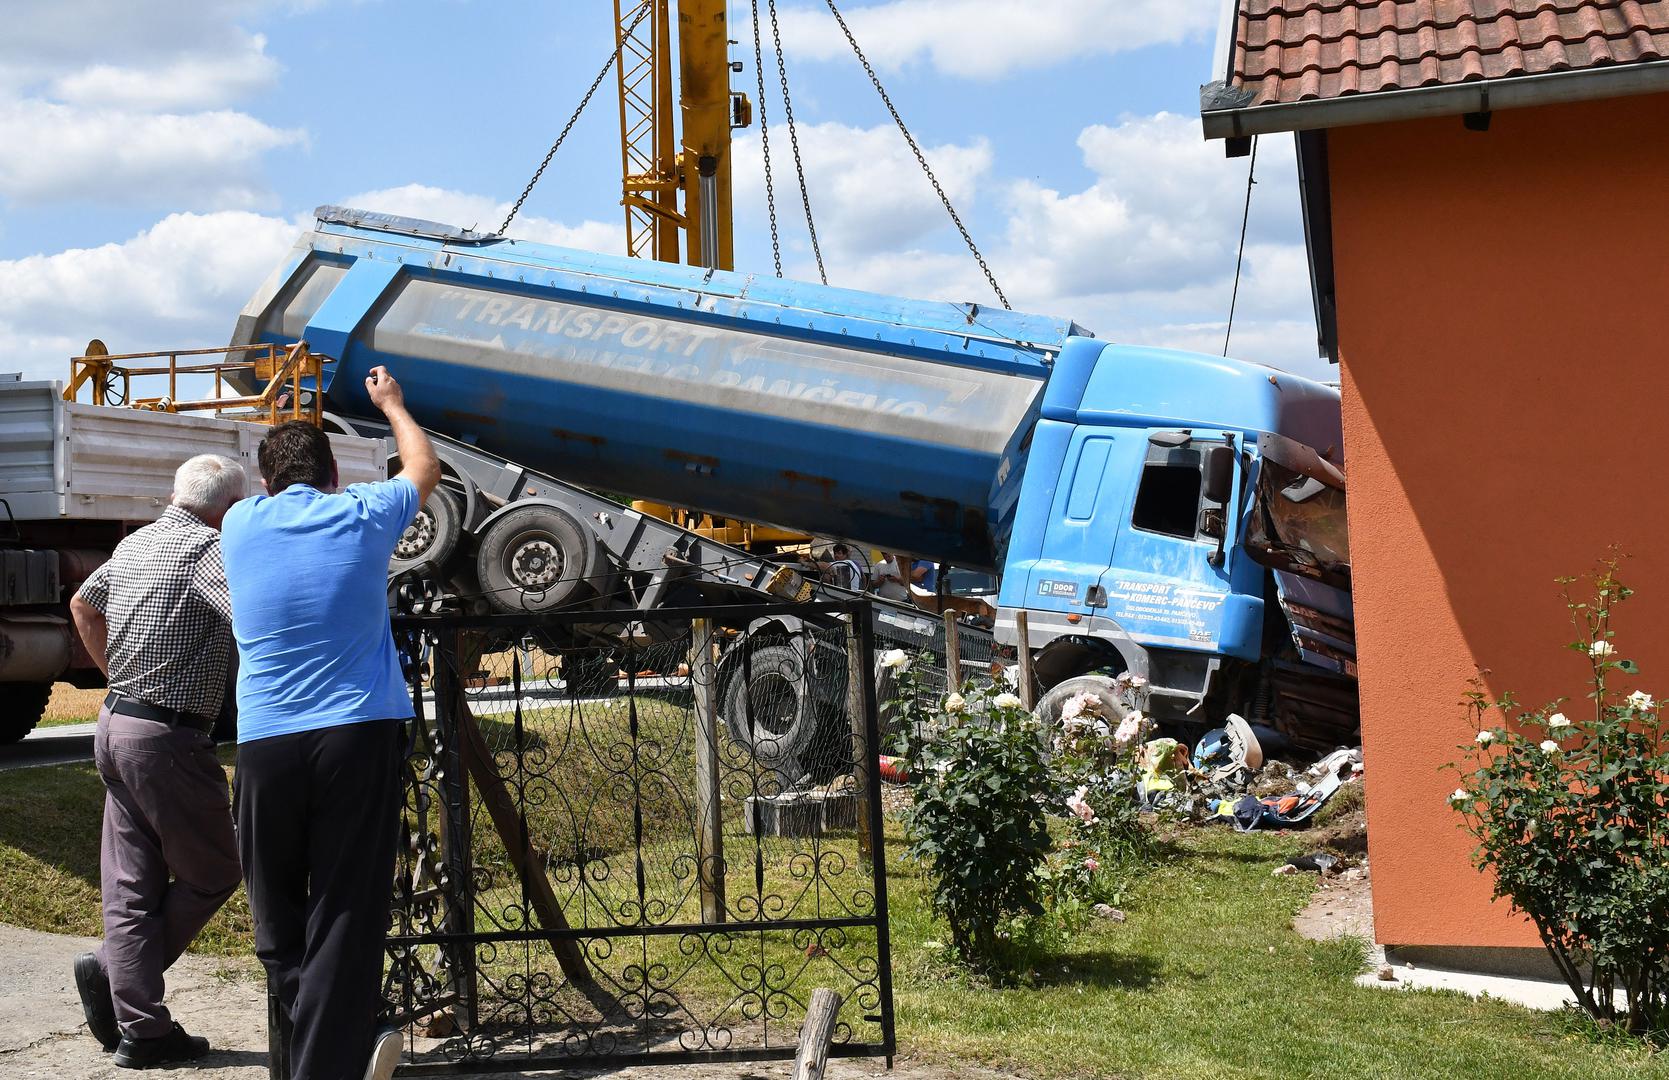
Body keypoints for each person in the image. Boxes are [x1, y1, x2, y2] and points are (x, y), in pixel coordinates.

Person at [220, 366, 439, 1080]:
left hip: (265, 739)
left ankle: (320, 1039)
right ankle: (339, 1051)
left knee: (274, 909)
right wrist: (392, 405)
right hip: (356, 730)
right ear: (336, 472)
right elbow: (422, 467)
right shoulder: (365, 514)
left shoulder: (238, 522)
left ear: (264, 482)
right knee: (345, 902)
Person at [66, 454, 248, 1068]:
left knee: (130, 884)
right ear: (227, 508)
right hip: (166, 739)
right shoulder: (209, 552)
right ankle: (122, 982)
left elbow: (82, 606)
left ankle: (141, 1027)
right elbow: (252, 624)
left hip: (114, 723)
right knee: (216, 870)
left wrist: (117, 675)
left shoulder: (138, 542)